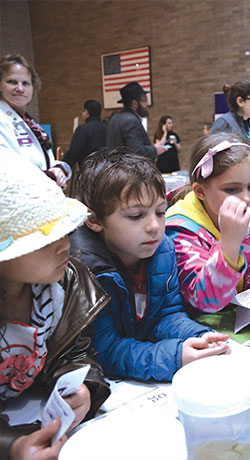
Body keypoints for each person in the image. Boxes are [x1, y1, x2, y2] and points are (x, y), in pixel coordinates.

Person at [69, 148, 230, 382]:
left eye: (160, 212)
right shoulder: (85, 268)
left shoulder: (162, 249)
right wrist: (175, 358)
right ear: (94, 220)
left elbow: (166, 315)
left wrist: (199, 336)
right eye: (136, 216)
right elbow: (104, 350)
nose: (154, 226)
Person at [0, 159, 110, 460]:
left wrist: (84, 385)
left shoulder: (64, 282)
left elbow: (75, 351)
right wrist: (11, 445)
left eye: (65, 231)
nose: (65, 246)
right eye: (45, 238)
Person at [165, 133, 250, 335]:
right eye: (232, 189)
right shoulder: (179, 229)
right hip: (194, 331)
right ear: (200, 191)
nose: (246, 198)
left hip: (239, 326)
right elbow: (204, 301)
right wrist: (229, 243)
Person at [0, 54, 71, 189]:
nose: (20, 88)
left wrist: (60, 169)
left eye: (26, 83)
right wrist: (50, 176)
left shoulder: (31, 124)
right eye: (12, 82)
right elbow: (6, 173)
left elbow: (42, 163)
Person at [105, 82, 167, 160]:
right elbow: (137, 152)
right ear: (134, 103)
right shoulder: (131, 121)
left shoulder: (116, 117)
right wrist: (155, 150)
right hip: (128, 170)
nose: (147, 104)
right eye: (145, 100)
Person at [63, 99, 107, 170]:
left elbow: (74, 152)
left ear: (86, 112)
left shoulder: (83, 129)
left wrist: (64, 167)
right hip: (106, 169)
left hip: (89, 170)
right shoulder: (107, 127)